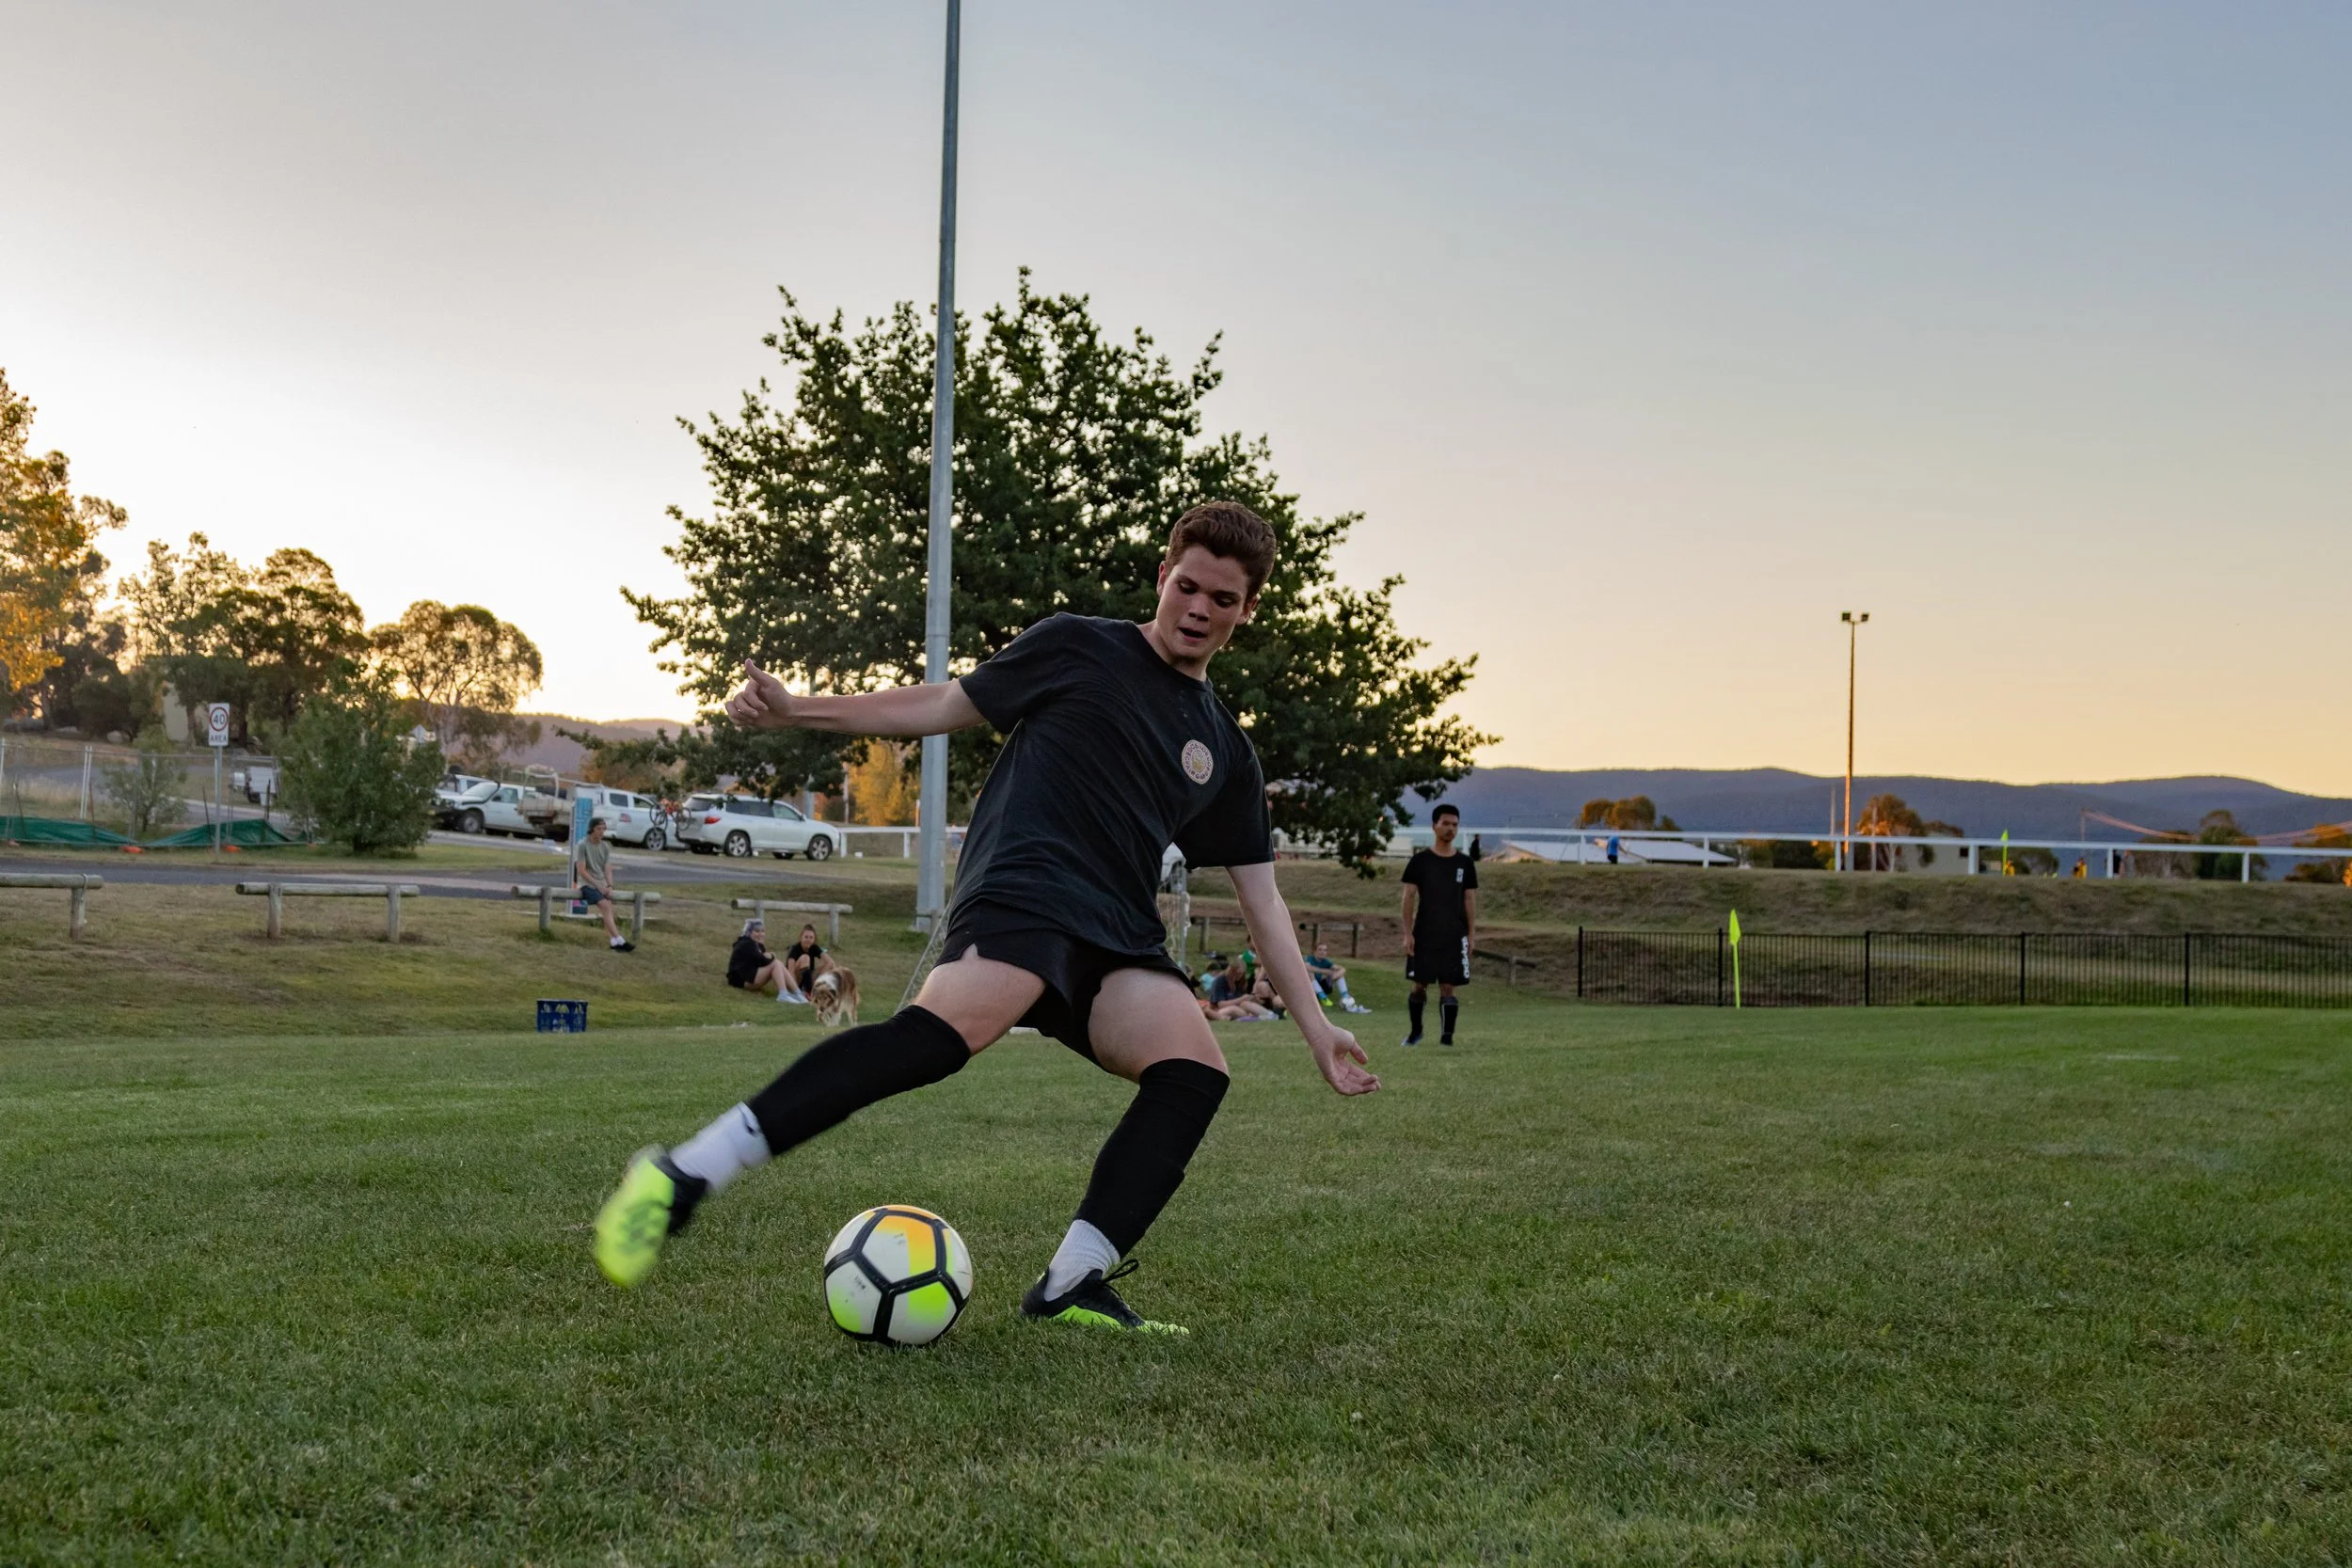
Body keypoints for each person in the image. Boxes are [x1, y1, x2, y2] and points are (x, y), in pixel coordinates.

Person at [594, 500, 1377, 1335]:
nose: (1200, 609)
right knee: (934, 1042)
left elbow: (1264, 903)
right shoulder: (1079, 644)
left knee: (1194, 1068)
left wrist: (1317, 1027)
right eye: (1189, 586)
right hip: (1025, 889)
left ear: (1247, 610)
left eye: (1223, 599)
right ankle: (686, 1172)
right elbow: (938, 706)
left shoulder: (1224, 747)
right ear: (1163, 576)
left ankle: (1074, 1279)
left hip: (1117, 932)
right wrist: (798, 710)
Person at [1400, 802, 1477, 1047]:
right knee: (1419, 985)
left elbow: (1469, 899)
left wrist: (1471, 934)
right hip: (1424, 934)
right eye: (1445, 823)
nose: (1450, 829)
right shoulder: (1420, 861)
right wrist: (1407, 933)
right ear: (1434, 826)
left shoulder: (1465, 864)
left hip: (1454, 936)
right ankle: (1415, 1033)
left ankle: (1447, 1039)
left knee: (1448, 987)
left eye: (1454, 825)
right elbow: (1408, 896)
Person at [575, 816, 634, 953]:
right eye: (598, 829)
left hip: (601, 883)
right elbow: (581, 871)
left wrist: (609, 885)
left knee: (608, 909)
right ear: (592, 830)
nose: (601, 832)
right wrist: (598, 885)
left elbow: (607, 868)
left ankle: (613, 942)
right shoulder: (583, 845)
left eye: (603, 829)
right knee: (605, 906)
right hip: (587, 884)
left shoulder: (605, 846)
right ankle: (620, 940)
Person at [727, 918, 807, 1005]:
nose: (760, 934)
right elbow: (764, 960)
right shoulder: (746, 944)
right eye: (757, 931)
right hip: (740, 982)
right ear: (749, 932)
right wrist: (772, 956)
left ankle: (798, 994)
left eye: (762, 931)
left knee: (778, 963)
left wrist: (769, 956)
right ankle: (783, 995)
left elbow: (763, 960)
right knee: (775, 963)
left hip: (749, 976)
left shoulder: (756, 944)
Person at [1304, 941, 1370, 1013]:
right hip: (1308, 987)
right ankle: (1323, 997)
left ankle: (1345, 996)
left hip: (1322, 985)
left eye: (1325, 950)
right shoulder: (1308, 958)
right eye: (1320, 949)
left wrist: (1332, 977)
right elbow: (1307, 968)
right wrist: (1326, 971)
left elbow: (1342, 969)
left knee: (1340, 974)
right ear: (1314, 951)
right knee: (1310, 973)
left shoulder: (1326, 961)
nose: (1322, 952)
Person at [782, 924, 831, 994]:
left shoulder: (814, 947)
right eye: (806, 937)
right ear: (801, 937)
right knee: (805, 958)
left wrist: (820, 976)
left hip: (808, 979)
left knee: (830, 964)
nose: (808, 940)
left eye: (811, 938)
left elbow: (829, 961)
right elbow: (790, 972)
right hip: (792, 981)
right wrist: (795, 990)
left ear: (814, 939)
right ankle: (805, 991)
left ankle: (817, 987)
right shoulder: (794, 949)